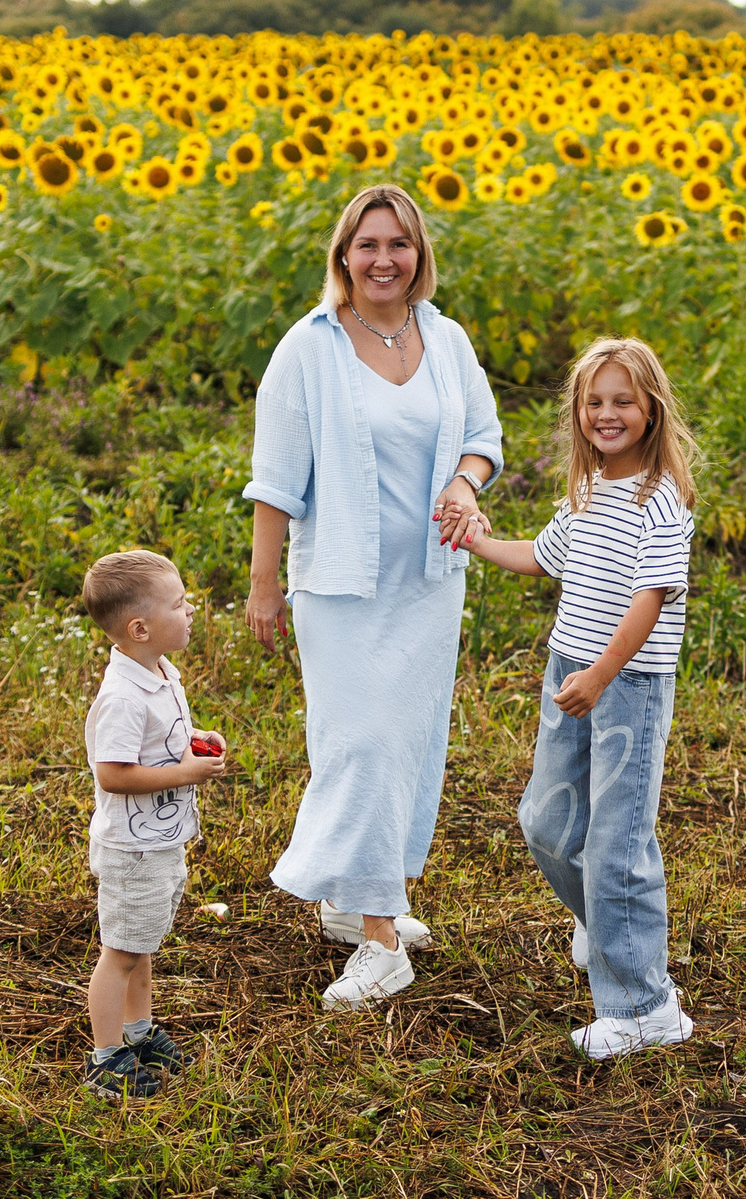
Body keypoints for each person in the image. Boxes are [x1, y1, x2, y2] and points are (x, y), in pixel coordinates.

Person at [243, 183, 503, 1009]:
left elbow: (483, 439)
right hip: (341, 587)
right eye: (368, 245)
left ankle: (357, 902)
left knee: (409, 744)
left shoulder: (447, 337)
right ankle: (382, 942)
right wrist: (264, 584)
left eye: (399, 244)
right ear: (343, 257)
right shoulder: (308, 346)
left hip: (429, 582)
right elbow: (275, 480)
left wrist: (465, 484)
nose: (384, 259)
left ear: (418, 255)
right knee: (357, 744)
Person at [445, 337, 699, 1058]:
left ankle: (644, 1006)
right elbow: (541, 556)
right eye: (594, 402)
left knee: (618, 843)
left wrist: (603, 674)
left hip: (627, 686)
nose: (607, 413)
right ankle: (606, 921)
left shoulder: (660, 501)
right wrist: (474, 539)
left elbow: (651, 598)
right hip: (571, 670)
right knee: (547, 821)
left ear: (651, 408)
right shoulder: (586, 493)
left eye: (622, 400)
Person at [79, 549, 231, 1101]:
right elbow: (114, 774)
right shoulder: (122, 696)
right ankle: (105, 1057)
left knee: (142, 945)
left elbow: (157, 745)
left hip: (160, 840)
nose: (190, 610)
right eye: (179, 603)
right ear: (140, 627)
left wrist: (194, 744)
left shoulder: (160, 672)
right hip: (133, 848)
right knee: (120, 952)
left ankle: (138, 1034)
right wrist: (186, 772)